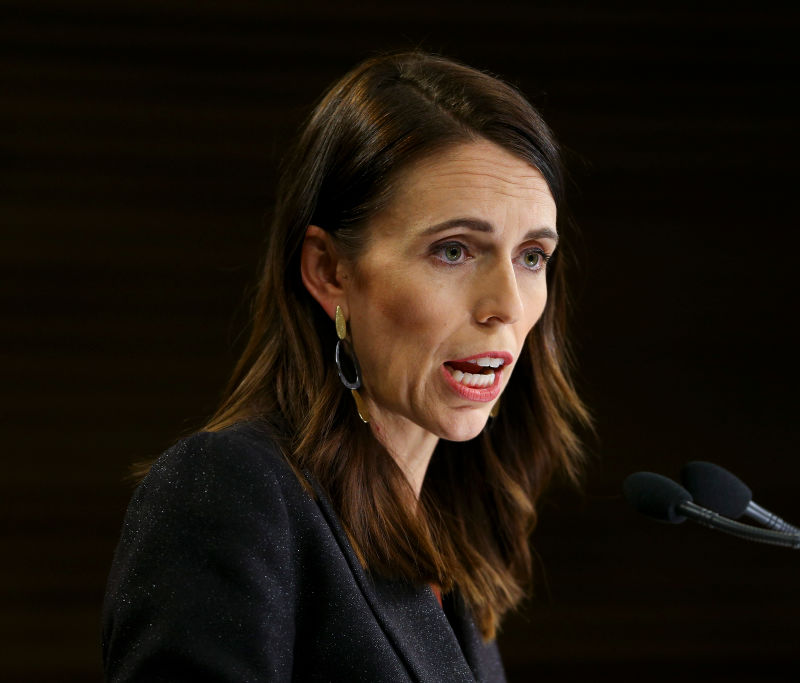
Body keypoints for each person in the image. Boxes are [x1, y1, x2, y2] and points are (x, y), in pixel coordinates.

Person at [101, 51, 591, 681]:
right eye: (453, 250)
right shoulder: (228, 493)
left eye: (531, 257)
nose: (507, 306)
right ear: (330, 271)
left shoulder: (450, 541)